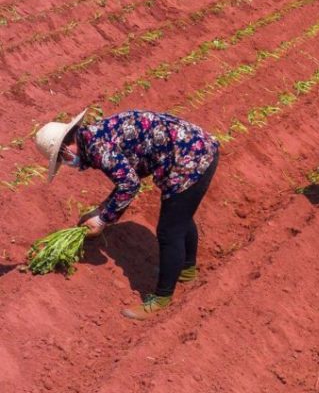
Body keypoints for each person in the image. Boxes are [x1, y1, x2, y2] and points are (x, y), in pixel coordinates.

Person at [34, 109, 220, 320]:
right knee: (180, 215)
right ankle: (186, 270)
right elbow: (128, 175)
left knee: (169, 232)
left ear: (66, 148)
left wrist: (103, 219)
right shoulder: (95, 136)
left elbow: (130, 185)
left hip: (191, 159)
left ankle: (161, 298)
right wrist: (102, 209)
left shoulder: (98, 149)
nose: (67, 163)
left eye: (62, 158)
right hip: (196, 148)